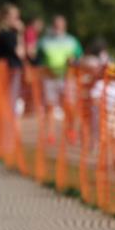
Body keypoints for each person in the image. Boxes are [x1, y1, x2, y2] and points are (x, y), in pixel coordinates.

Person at [35, 15, 83, 145]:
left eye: (60, 25)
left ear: (64, 26)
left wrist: (74, 61)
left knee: (70, 106)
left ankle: (71, 130)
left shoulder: (72, 41)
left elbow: (80, 57)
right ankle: (50, 134)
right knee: (50, 106)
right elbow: (37, 59)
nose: (58, 27)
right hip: (49, 78)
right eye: (56, 25)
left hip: (67, 78)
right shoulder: (44, 41)